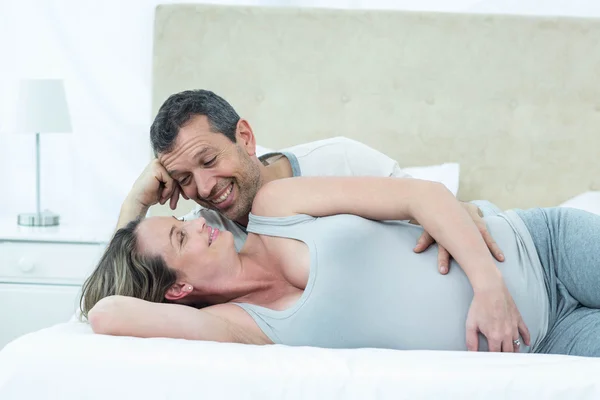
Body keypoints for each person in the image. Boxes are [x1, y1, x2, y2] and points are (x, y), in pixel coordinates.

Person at [80, 174, 600, 357]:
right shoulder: (239, 330)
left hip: (541, 246)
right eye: (179, 235)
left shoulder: (276, 207)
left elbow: (423, 195)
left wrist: (490, 290)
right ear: (177, 290)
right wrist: (132, 214)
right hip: (546, 339)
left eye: (185, 219)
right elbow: (106, 313)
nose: (197, 220)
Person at [119, 89, 505, 277]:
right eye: (184, 178)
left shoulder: (339, 159)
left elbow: (432, 209)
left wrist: (458, 211)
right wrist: (134, 205)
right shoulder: (205, 240)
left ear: (246, 138)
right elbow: (117, 295)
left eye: (209, 161)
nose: (202, 189)